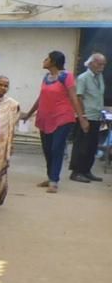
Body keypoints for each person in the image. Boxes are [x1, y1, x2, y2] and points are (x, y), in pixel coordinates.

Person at [20, 50, 85, 193]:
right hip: (45, 118)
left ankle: (54, 181)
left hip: (62, 118)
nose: (44, 60)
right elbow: (41, 98)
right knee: (47, 149)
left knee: (57, 149)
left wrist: (81, 118)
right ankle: (51, 177)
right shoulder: (46, 77)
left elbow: (74, 98)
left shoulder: (67, 76)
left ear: (54, 62)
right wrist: (29, 114)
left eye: (47, 59)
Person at [69, 53, 106, 183]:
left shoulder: (99, 76)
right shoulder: (83, 78)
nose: (102, 67)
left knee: (92, 146)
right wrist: (83, 117)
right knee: (81, 145)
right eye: (99, 63)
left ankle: (86, 170)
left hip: (96, 116)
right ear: (91, 63)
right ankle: (76, 172)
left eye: (103, 64)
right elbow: (78, 98)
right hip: (86, 116)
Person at [0, 75, 21, 207]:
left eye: (6, 85)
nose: (3, 87)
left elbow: (12, 126)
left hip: (1, 145)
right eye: (0, 84)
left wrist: (10, 143)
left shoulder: (12, 104)